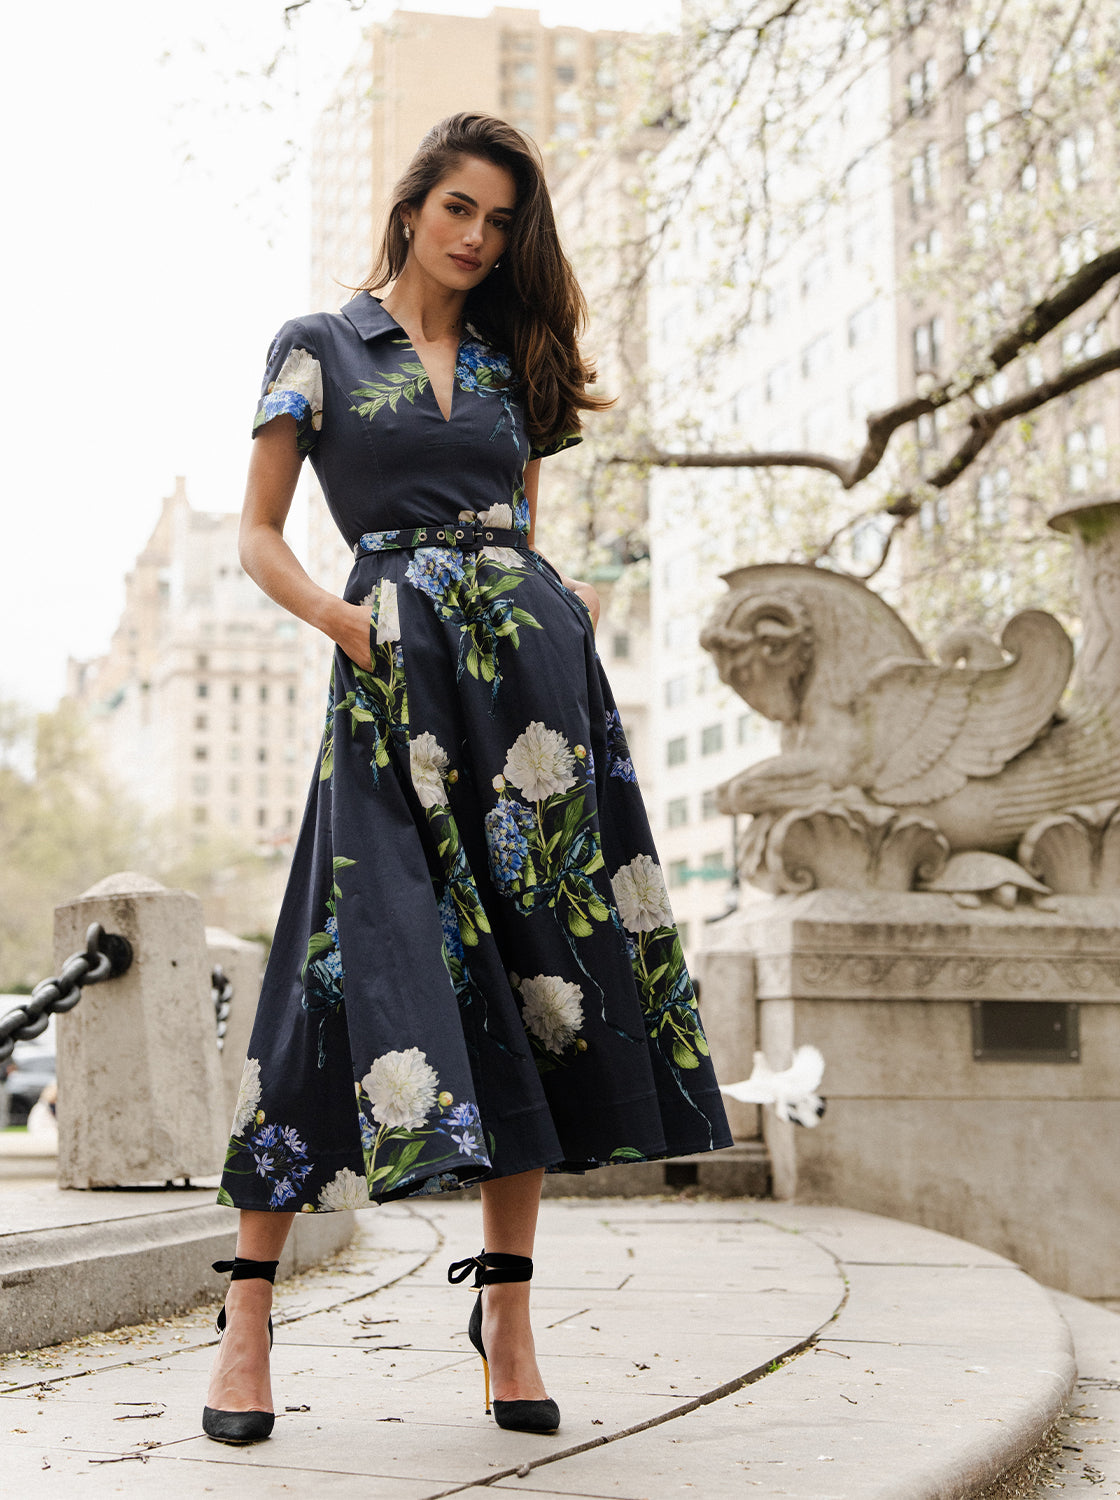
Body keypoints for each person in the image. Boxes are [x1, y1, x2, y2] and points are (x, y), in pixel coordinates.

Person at [203, 112, 732, 1446]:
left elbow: (526, 528)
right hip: (391, 678)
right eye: (457, 209)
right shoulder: (315, 348)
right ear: (410, 206)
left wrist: (565, 608)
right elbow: (261, 539)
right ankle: (249, 1313)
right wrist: (345, 623)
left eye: (498, 222)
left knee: (541, 977)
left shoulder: (512, 360)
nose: (476, 237)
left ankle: (509, 1312)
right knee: (337, 967)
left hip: (533, 698)